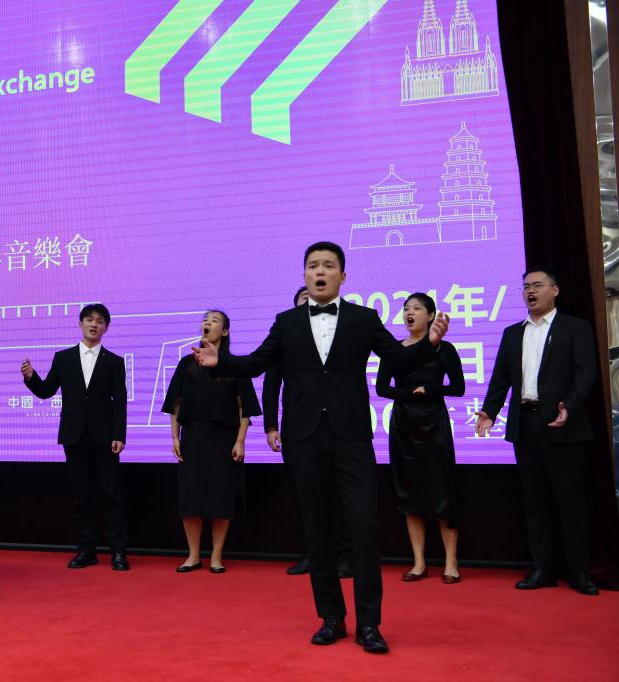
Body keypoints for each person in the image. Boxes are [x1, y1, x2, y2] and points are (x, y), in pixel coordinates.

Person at [193, 241, 450, 654]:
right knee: (316, 528)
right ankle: (331, 618)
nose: (320, 271)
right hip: (304, 437)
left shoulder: (364, 318)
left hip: (351, 437)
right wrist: (220, 361)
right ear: (304, 275)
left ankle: (370, 624)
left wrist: (430, 344)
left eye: (329, 265)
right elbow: (257, 363)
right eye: (313, 265)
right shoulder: (287, 321)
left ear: (342, 276)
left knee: (364, 527)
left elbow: (399, 361)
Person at [476, 268, 598, 595]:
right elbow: (501, 379)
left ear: (554, 291)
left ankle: (579, 572)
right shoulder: (512, 333)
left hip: (563, 424)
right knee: (534, 502)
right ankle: (542, 568)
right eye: (526, 286)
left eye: (537, 285)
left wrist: (569, 405)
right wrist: (490, 412)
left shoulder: (575, 327)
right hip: (525, 425)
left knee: (570, 502)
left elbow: (586, 374)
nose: (530, 291)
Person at [21, 303, 129, 570]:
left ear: (106, 328)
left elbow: (120, 401)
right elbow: (46, 391)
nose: (94, 324)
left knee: (110, 494)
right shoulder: (64, 358)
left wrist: (119, 434)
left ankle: (118, 551)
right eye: (89, 319)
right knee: (81, 496)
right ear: (80, 323)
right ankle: (86, 550)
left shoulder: (114, 361)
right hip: (74, 435)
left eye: (100, 321)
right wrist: (31, 378)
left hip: (105, 437)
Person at [263, 286, 352, 578]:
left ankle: (344, 555)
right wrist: (271, 426)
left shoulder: (337, 333)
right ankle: (311, 555)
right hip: (298, 428)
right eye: (304, 301)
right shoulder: (285, 336)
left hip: (337, 428)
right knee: (305, 496)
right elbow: (271, 384)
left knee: (338, 495)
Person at [376, 293, 465, 584]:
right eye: (406, 309)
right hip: (404, 424)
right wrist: (407, 393)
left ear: (430, 316)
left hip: (434, 422)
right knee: (409, 492)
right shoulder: (394, 350)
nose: (409, 313)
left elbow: (459, 388)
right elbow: (381, 388)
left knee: (442, 490)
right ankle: (418, 562)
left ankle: (451, 562)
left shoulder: (444, 349)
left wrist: (430, 390)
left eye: (416, 308)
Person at [163, 311, 261, 573]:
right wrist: (175, 436)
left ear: (225, 331)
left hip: (224, 438)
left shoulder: (233, 365)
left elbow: (244, 407)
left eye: (215, 320)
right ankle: (193, 555)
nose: (208, 323)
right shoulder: (186, 364)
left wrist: (240, 441)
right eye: (205, 319)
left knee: (221, 497)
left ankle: (216, 556)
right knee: (191, 497)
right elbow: (176, 403)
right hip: (193, 436)